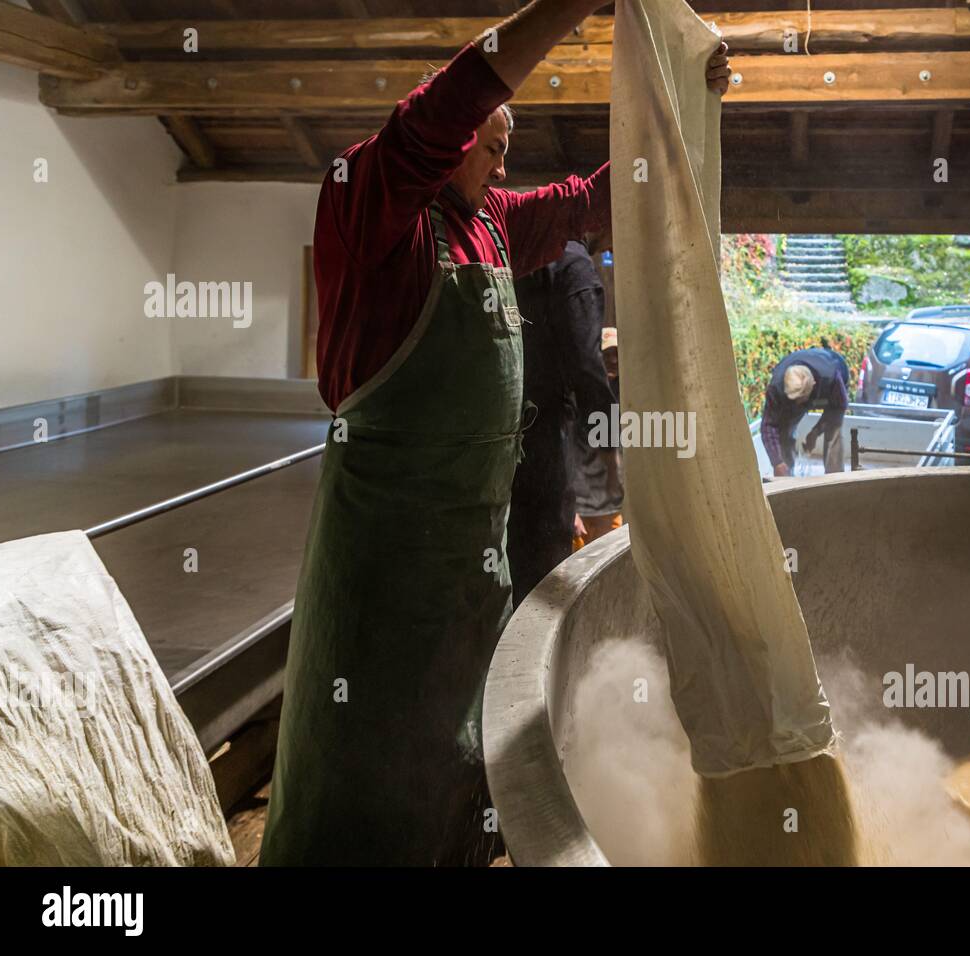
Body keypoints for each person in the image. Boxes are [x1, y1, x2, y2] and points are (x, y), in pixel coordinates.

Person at [261, 0, 731, 867]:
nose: (501, 156)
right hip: (380, 576)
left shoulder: (489, 224)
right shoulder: (372, 209)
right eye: (490, 139)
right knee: (361, 781)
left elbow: (594, 198)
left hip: (470, 569)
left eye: (507, 147)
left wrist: (681, 99)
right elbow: (444, 109)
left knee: (453, 773)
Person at [508, 232, 616, 605]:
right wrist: (609, 449)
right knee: (543, 574)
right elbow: (587, 367)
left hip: (504, 428)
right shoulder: (574, 265)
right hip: (543, 435)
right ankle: (528, 659)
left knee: (510, 558)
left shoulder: (528, 247)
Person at [760, 345, 851, 477]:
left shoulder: (832, 379)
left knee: (834, 430)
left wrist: (815, 432)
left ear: (812, 384)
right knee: (783, 430)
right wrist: (777, 462)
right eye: (795, 400)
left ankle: (834, 477)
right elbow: (769, 425)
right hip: (796, 392)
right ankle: (785, 477)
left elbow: (837, 410)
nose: (798, 404)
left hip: (829, 381)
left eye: (801, 399)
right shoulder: (776, 388)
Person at [573, 327, 624, 549]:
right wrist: (570, 511)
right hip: (581, 507)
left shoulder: (626, 397)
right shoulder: (579, 399)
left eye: (616, 354)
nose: (612, 360)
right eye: (606, 355)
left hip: (610, 507)